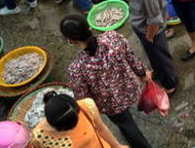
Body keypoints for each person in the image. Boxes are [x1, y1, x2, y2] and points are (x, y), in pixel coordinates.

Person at [60, 14, 154, 148]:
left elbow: (84, 100)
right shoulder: (114, 38)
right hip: (129, 88)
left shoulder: (76, 69)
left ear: (70, 40)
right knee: (127, 120)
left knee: (127, 125)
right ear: (89, 27)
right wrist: (143, 72)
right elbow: (131, 58)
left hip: (110, 105)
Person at [99, 0, 178, 94]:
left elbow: (155, 20)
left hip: (151, 29)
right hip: (141, 20)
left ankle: (170, 84)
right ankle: (158, 71)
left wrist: (149, 36)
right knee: (153, 54)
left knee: (160, 55)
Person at [31, 93, 125, 148]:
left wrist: (117, 146)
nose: (74, 128)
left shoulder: (87, 106)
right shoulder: (39, 137)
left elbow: (101, 129)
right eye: (67, 127)